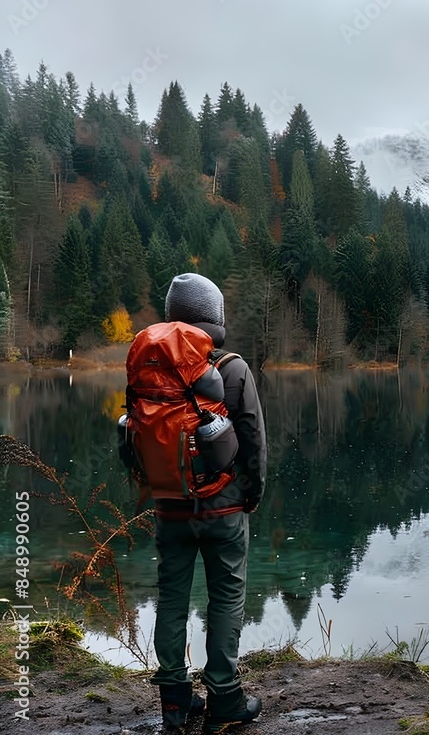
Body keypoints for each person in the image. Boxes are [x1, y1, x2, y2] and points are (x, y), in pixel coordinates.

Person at [147, 273, 267, 733]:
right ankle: (225, 698)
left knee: (172, 599)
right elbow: (253, 438)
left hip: (168, 505)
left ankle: (175, 703)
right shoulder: (232, 368)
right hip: (223, 508)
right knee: (226, 597)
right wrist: (252, 493)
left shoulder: (149, 365)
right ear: (214, 319)